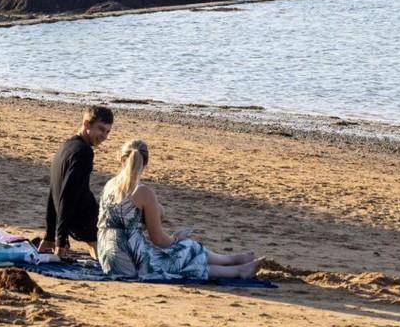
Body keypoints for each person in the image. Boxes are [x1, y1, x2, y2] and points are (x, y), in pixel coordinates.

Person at [97, 139, 262, 280]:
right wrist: (175, 239)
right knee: (187, 247)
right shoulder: (143, 192)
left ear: (121, 159)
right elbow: (159, 239)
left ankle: (232, 262)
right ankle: (234, 268)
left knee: (180, 251)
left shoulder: (109, 185)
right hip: (132, 263)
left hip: (108, 256)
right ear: (145, 164)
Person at [39, 105, 114, 260]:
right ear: (86, 124)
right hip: (84, 221)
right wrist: (60, 240)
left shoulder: (66, 146)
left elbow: (54, 191)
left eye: (108, 132)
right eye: (101, 129)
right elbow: (67, 193)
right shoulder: (84, 152)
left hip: (76, 219)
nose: (104, 136)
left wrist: (49, 236)